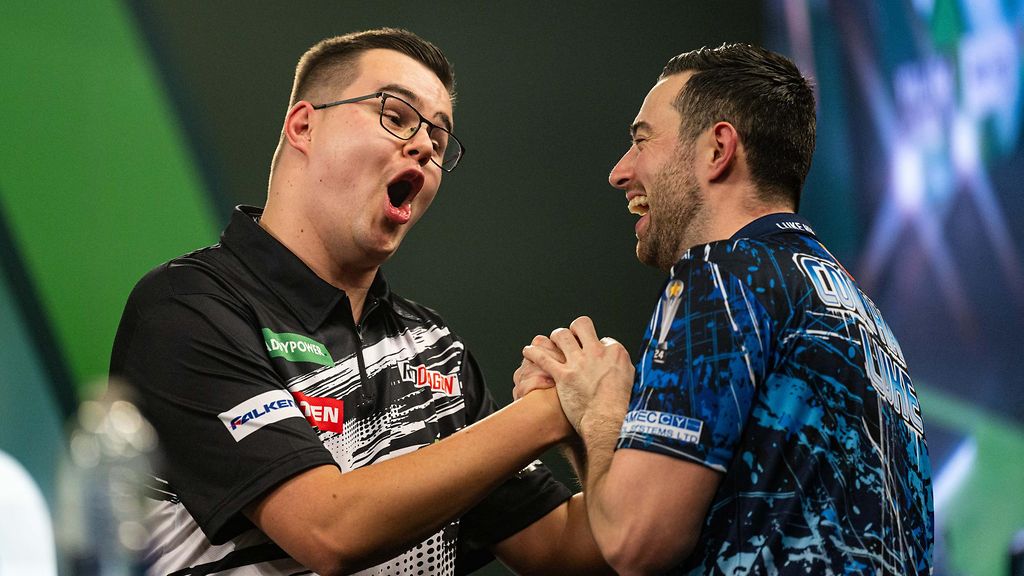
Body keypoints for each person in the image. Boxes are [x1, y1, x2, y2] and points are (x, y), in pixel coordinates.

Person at [110, 28, 610, 576]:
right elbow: (328, 531)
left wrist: (594, 422)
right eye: (396, 116)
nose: (425, 147)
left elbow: (567, 554)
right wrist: (547, 413)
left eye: (439, 140)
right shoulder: (187, 307)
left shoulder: (435, 347)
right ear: (304, 126)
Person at [517, 43, 935, 575]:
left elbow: (634, 540)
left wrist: (601, 409)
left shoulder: (721, 276)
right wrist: (589, 423)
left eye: (641, 141)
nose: (619, 172)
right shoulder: (863, 316)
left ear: (718, 149)